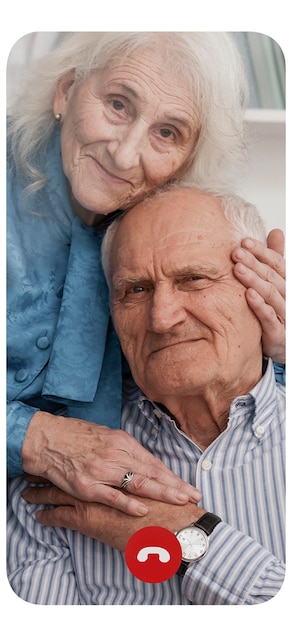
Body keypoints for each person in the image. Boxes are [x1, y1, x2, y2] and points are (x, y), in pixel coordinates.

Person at [7, 32, 285, 517]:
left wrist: (274, 348)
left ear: (188, 159)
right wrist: (38, 437)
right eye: (117, 104)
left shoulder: (156, 233)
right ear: (66, 90)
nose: (125, 153)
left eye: (168, 133)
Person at [7, 185, 285, 604]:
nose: (162, 318)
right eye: (135, 290)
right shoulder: (66, 467)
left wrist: (188, 537)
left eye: (193, 279)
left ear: (262, 286)